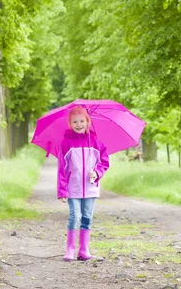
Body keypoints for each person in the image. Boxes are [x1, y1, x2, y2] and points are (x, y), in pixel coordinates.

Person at [56, 106, 110, 261]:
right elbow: (62, 168)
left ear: (87, 122)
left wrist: (97, 172)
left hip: (91, 188)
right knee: (75, 216)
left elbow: (104, 162)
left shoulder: (95, 142)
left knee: (87, 217)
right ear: (70, 124)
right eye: (75, 122)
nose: (79, 124)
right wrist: (62, 190)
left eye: (81, 121)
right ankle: (70, 250)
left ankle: (84, 249)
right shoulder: (67, 144)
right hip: (73, 188)